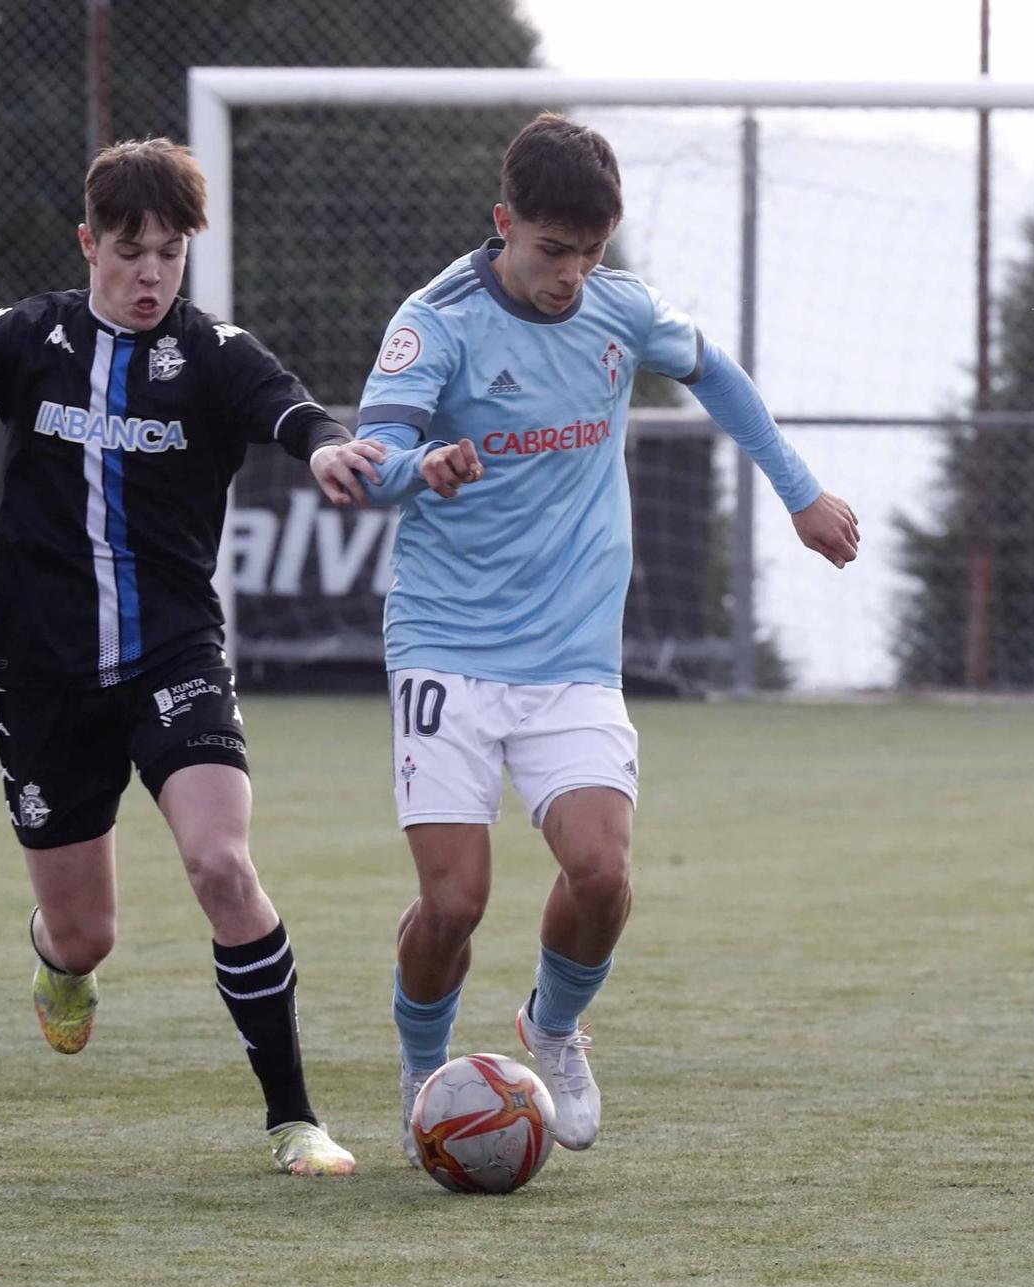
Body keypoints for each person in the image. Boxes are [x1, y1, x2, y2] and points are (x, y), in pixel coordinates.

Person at [0, 137, 381, 1177]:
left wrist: (323, 446)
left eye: (169, 255)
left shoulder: (214, 353)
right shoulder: (27, 338)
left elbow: (294, 411)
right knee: (85, 933)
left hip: (173, 652)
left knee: (221, 863)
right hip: (42, 675)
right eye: (130, 251)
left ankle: (294, 1120)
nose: (149, 275)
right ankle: (57, 961)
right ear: (89, 242)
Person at [308, 112, 859, 1168]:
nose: (569, 276)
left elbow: (717, 374)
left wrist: (799, 493)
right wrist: (410, 468)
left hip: (568, 656)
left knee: (603, 873)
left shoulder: (618, 309)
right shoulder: (437, 321)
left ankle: (550, 1032)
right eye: (551, 251)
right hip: (446, 645)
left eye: (589, 254)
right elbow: (373, 450)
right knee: (453, 900)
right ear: (503, 222)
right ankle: (424, 1070)